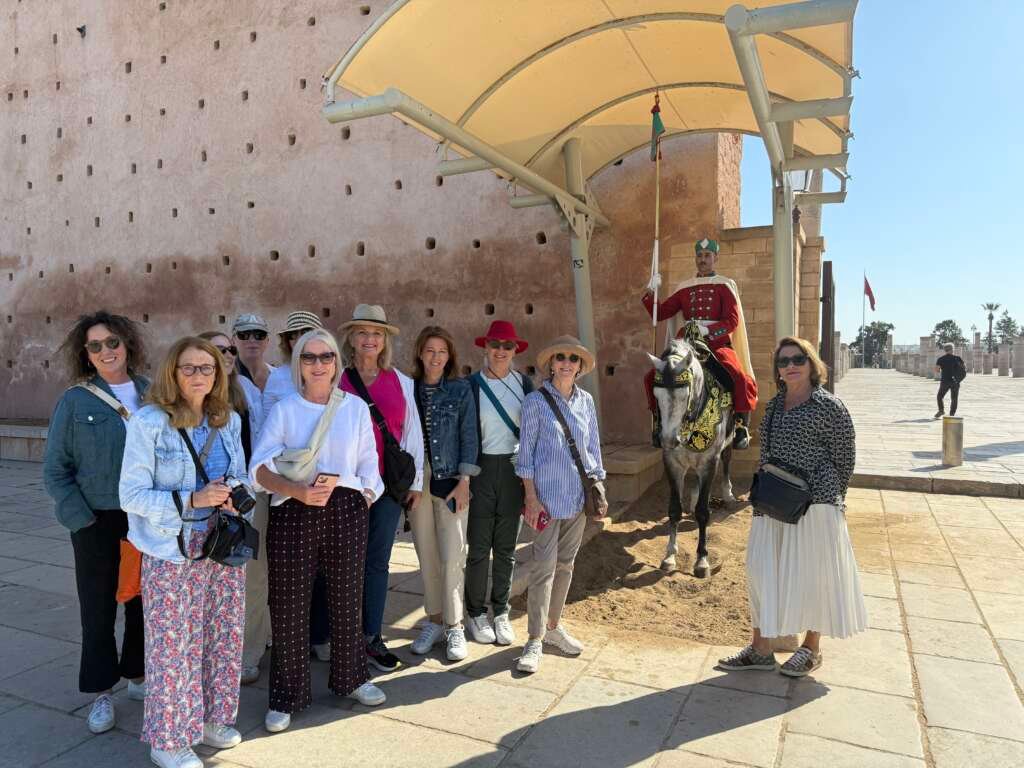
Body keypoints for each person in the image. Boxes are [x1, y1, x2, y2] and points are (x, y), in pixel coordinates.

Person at [119, 337, 249, 768]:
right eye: (189, 368)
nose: (199, 376)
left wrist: (234, 494)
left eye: (208, 368)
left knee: (222, 637)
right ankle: (169, 738)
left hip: (222, 546)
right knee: (174, 647)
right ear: (172, 373)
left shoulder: (225, 419)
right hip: (173, 548)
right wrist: (193, 499)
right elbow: (131, 494)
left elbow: (241, 473)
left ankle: (211, 719)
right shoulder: (149, 422)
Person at [250, 328, 386, 733]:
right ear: (299, 364)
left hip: (345, 508)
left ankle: (353, 677)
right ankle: (287, 696)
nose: (318, 364)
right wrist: (297, 491)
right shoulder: (285, 409)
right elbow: (258, 470)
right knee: (290, 605)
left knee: (347, 598)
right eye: (309, 358)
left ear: (336, 362)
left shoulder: (355, 408)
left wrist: (361, 497)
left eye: (325, 357)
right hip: (294, 510)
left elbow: (368, 464)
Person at [718, 336, 864, 678]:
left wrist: (831, 500)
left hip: (816, 503)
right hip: (773, 501)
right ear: (778, 370)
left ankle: (811, 648)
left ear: (812, 364)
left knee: (813, 575)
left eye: (797, 359)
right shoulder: (773, 406)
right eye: (783, 362)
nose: (791, 366)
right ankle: (761, 649)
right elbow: (766, 455)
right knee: (761, 569)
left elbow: (845, 459)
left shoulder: (829, 407)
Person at [43, 311, 148, 735]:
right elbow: (55, 469)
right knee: (98, 608)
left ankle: (138, 675)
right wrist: (81, 520)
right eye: (95, 346)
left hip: (144, 517)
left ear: (127, 345)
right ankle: (102, 691)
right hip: (96, 519)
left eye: (113, 342)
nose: (106, 351)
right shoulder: (76, 400)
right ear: (85, 354)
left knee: (144, 603)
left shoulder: (151, 392)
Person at [338, 304, 424, 673]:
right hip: (346, 486)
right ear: (351, 339)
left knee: (376, 563)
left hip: (388, 487)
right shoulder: (336, 380)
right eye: (362, 333)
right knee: (342, 564)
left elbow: (412, 434)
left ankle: (371, 637)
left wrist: (416, 483)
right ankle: (342, 638)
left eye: (377, 333)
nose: (369, 339)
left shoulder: (402, 382)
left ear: (384, 340)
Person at [515, 335, 607, 674]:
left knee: (566, 565)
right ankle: (535, 638)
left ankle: (554, 627)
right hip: (546, 501)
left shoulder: (586, 402)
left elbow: (593, 449)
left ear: (580, 366)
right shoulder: (536, 402)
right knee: (542, 567)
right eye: (561, 357)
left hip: (577, 500)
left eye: (573, 358)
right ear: (551, 364)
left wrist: (598, 489)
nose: (567, 363)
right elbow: (524, 456)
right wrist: (530, 498)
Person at [259, 310, 331, 661]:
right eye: (295, 335)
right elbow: (269, 437)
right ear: (288, 343)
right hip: (289, 487)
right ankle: (289, 637)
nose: (300, 339)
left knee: (320, 569)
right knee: (289, 571)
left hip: (323, 487)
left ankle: (318, 635)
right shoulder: (278, 382)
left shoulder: (329, 378)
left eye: (308, 333)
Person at [198, 330, 268, 685]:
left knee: (250, 575)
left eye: (229, 349)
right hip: (199, 504)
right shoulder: (191, 397)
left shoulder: (244, 392)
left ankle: (248, 653)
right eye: (218, 349)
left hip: (243, 499)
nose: (227, 354)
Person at [642, 237, 758, 448]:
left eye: (707, 256)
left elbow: (732, 321)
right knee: (653, 376)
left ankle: (741, 425)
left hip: (715, 341)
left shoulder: (724, 284)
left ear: (715, 258)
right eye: (699, 256)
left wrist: (709, 330)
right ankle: (659, 423)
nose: (702, 260)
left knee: (738, 374)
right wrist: (650, 292)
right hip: (686, 341)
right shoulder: (685, 287)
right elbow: (660, 313)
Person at [408, 326, 480, 661]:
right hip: (417, 484)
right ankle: (434, 620)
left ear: (449, 356)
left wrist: (465, 480)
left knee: (454, 555)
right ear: (420, 354)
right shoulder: (409, 389)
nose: (436, 358)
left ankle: (455, 627)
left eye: (442, 352)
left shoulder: (460, 390)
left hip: (452, 480)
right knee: (427, 555)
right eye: (430, 351)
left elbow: (470, 436)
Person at [465, 320, 534, 647]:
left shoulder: (525, 385)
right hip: (480, 470)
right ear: (485, 348)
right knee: (479, 548)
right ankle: (476, 613)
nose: (501, 351)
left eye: (507, 346)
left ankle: (501, 611)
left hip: (512, 469)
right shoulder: (471, 385)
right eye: (495, 345)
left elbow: (534, 433)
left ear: (515, 350)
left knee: (506, 548)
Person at [232, 313, 274, 392]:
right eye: (244, 335)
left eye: (259, 335)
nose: (252, 340)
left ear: (267, 341)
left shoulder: (280, 377)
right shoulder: (226, 378)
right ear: (233, 340)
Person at [934, 342, 966, 418]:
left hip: (945, 381)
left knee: (940, 396)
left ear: (945, 350)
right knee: (954, 398)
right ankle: (952, 414)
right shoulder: (958, 358)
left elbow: (937, 370)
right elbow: (964, 368)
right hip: (956, 381)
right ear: (952, 349)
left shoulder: (941, 359)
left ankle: (941, 410)